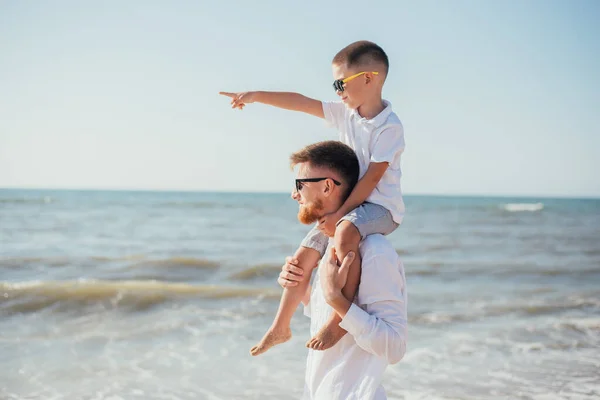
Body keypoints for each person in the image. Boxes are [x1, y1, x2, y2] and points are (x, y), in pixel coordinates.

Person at [220, 40, 405, 356]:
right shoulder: (345, 114)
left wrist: (340, 215)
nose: (337, 91)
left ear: (369, 78)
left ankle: (337, 320)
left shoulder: (389, 127)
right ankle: (280, 327)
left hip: (379, 208)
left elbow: (373, 178)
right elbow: (300, 102)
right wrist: (253, 97)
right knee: (304, 253)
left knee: (345, 231)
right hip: (350, 208)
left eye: (340, 83)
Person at [279, 140, 408, 399]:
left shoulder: (374, 250)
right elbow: (321, 315)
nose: (294, 194)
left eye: (299, 185)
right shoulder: (329, 248)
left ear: (327, 186)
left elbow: (394, 347)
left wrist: (337, 301)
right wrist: (300, 285)